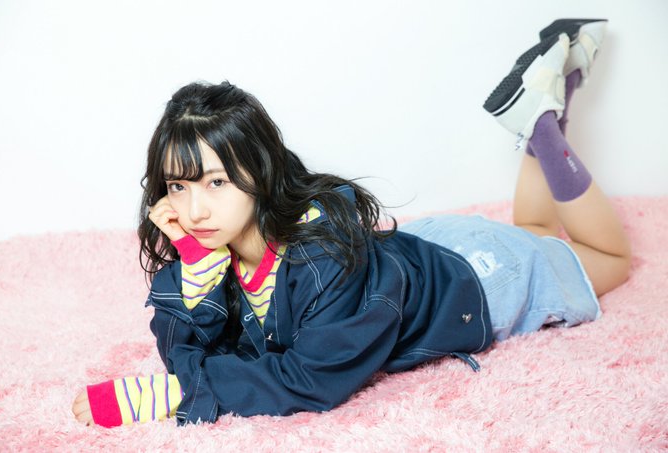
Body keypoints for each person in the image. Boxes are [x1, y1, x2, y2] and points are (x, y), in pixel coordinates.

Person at [72, 18, 630, 427]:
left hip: (479, 279)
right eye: (178, 186)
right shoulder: (215, 249)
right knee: (535, 231)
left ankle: (542, 126)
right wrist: (195, 265)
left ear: (259, 171)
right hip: (427, 250)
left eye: (216, 182)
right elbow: (190, 351)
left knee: (612, 258)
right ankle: (545, 107)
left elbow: (311, 379)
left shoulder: (321, 257)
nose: (193, 211)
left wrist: (165, 396)